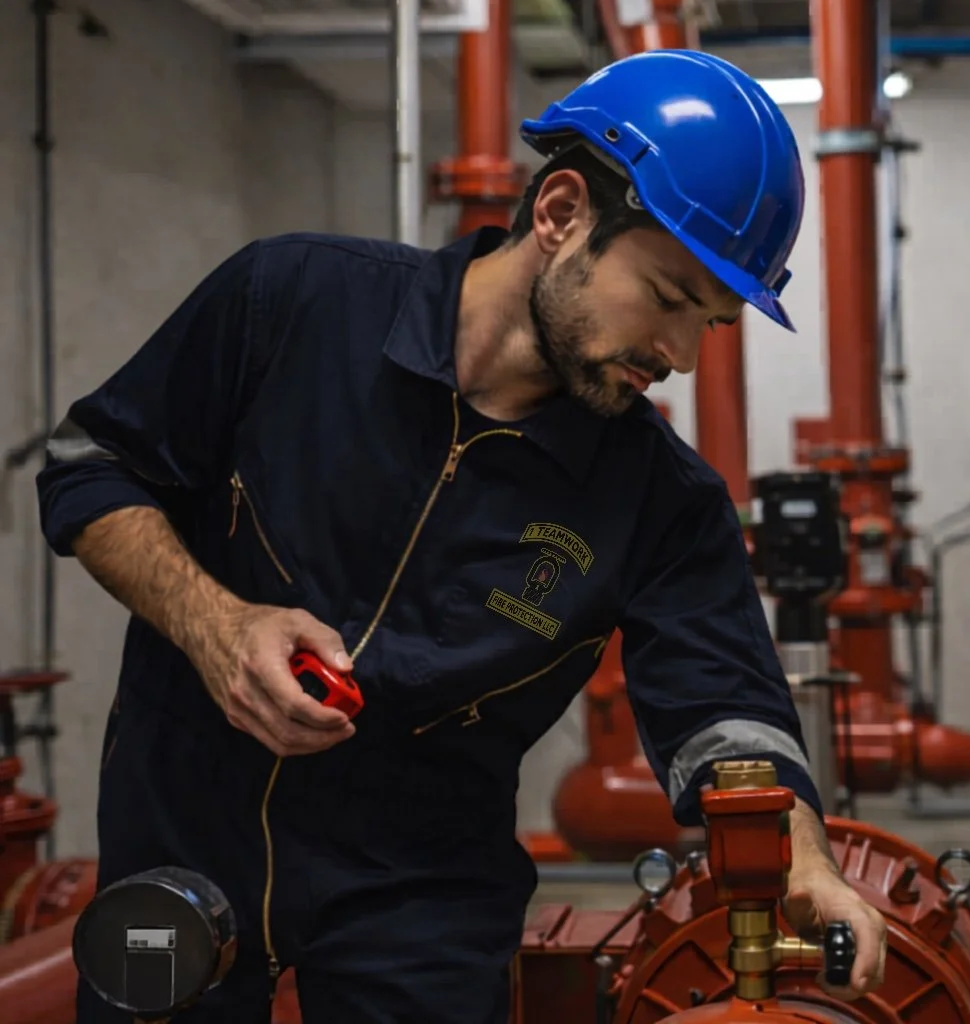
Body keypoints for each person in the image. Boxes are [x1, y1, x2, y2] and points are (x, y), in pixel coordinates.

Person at [38, 49, 888, 1022]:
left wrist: (803, 854)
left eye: (714, 322)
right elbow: (90, 465)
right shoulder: (292, 304)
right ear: (562, 213)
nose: (683, 355)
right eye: (667, 297)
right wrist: (214, 623)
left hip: (423, 890)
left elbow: (724, 708)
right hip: (184, 833)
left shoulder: (662, 499)